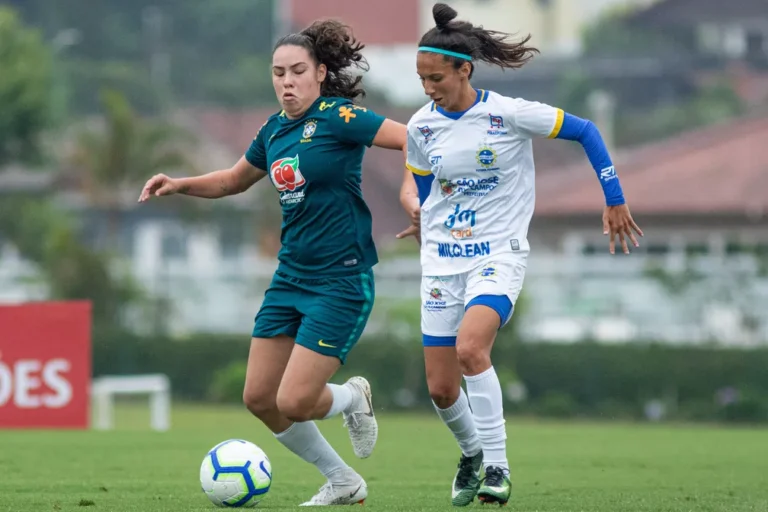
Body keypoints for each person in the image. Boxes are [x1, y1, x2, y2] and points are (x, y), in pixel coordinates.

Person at [139, 19, 408, 507]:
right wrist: (179, 184)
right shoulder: (272, 130)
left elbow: (413, 139)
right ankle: (344, 481)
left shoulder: (340, 118)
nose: (287, 81)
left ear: (321, 73)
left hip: (341, 279)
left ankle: (351, 398)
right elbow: (232, 181)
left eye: (297, 71)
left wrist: (413, 192)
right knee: (260, 398)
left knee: (295, 401)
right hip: (289, 278)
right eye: (278, 72)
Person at [397, 3, 644, 507]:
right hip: (442, 263)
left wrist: (614, 198)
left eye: (437, 78)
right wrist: (421, 214)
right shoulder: (420, 126)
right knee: (441, 390)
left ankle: (497, 468)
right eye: (422, 79)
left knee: (471, 350)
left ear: (464, 69)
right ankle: (470, 452)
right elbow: (424, 183)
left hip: (499, 254)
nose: (428, 88)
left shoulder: (508, 114)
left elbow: (587, 132)